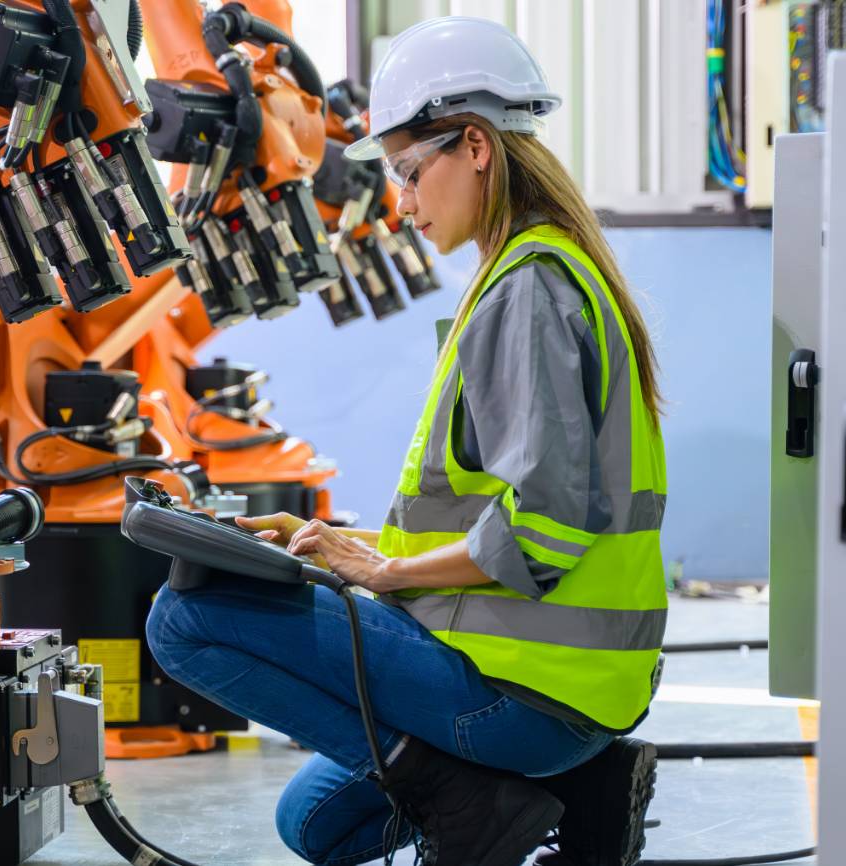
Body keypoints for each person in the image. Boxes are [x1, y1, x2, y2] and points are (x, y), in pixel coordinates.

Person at [146, 16, 669, 866]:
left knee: (182, 618)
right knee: (317, 823)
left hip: (529, 693)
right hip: (574, 690)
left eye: (408, 171)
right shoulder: (538, 272)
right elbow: (491, 514)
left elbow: (545, 527)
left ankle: (479, 802)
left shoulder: (529, 292)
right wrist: (341, 551)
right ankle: (586, 785)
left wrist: (384, 574)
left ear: (475, 145)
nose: (402, 199)